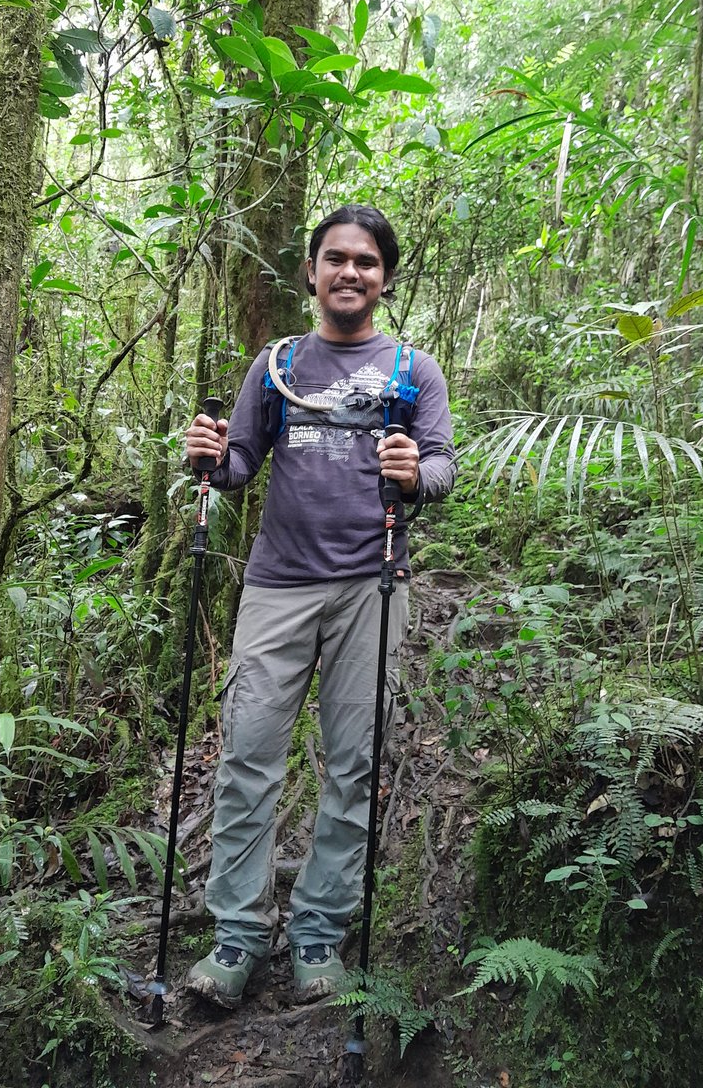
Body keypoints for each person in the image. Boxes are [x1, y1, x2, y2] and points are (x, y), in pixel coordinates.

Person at [184, 204, 455, 1009]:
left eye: (366, 262)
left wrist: (411, 475)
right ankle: (237, 932)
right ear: (310, 272)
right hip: (277, 586)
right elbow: (236, 466)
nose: (349, 272)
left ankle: (317, 932)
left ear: (386, 279)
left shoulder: (413, 368)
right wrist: (209, 455)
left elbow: (441, 471)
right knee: (247, 754)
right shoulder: (276, 364)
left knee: (354, 764)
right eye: (335, 258)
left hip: (372, 585)